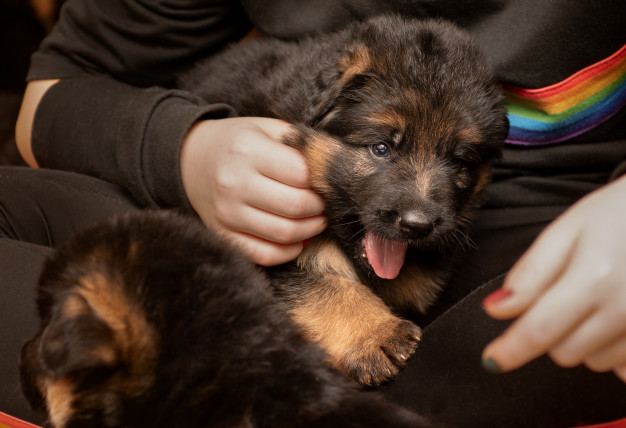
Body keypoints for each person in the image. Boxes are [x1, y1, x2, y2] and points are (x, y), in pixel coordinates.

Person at [1, 0, 625, 426]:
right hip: (211, 201)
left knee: (536, 339)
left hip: (549, 231)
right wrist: (185, 150)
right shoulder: (310, 91)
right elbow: (55, 89)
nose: (418, 198)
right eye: (383, 147)